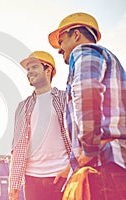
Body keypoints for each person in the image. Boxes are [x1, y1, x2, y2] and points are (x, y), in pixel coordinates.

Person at [48, 12, 126, 199]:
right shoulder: (108, 61)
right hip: (111, 165)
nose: (59, 49)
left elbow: (87, 93)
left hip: (102, 167)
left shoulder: (84, 52)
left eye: (61, 41)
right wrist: (70, 167)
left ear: (75, 35)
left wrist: (89, 149)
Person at [9, 51, 71, 200]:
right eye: (28, 69)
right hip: (32, 180)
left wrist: (70, 169)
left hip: (62, 175)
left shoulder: (66, 98)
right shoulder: (23, 107)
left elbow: (77, 135)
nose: (29, 72)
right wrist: (14, 185)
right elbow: (17, 148)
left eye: (33, 67)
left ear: (48, 70)